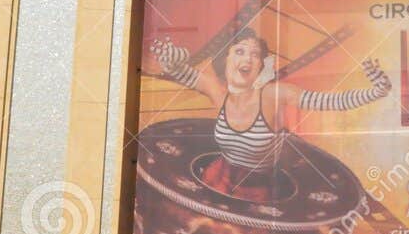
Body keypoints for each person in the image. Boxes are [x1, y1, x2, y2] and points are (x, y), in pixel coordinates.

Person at [148, 29, 391, 201]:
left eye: (255, 55)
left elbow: (330, 101)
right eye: (240, 51)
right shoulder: (219, 94)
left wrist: (377, 92)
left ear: (262, 66)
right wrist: (174, 59)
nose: (247, 58)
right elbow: (177, 70)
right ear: (227, 60)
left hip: (256, 199)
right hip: (211, 183)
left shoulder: (274, 95)